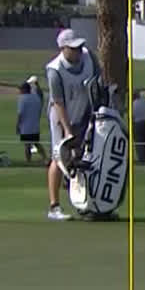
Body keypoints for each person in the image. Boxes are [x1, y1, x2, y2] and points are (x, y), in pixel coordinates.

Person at [45, 28, 101, 221]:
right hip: (61, 119)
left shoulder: (88, 57)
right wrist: (68, 132)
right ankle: (54, 207)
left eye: (79, 46)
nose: (78, 50)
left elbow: (97, 81)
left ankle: (88, 203)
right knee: (59, 158)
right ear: (63, 49)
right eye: (73, 48)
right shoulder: (55, 70)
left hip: (84, 114)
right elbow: (58, 103)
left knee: (86, 158)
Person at [16, 81, 44, 163]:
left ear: (24, 90)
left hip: (25, 126)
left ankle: (28, 161)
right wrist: (37, 85)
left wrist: (18, 125)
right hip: (35, 125)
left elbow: (20, 113)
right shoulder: (36, 97)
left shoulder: (22, 99)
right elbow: (41, 96)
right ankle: (45, 157)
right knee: (36, 143)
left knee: (27, 144)